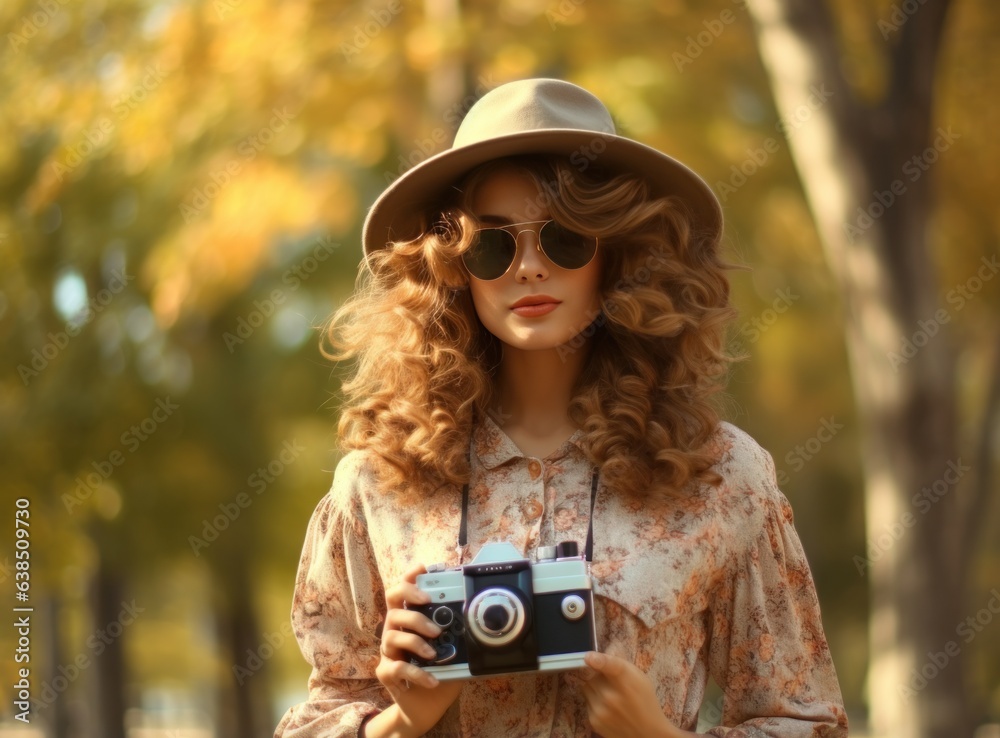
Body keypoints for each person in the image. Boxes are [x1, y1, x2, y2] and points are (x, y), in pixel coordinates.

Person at [274, 78, 848, 737]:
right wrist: (401, 721)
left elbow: (808, 723)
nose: (528, 267)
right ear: (454, 267)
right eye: (492, 245)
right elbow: (312, 721)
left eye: (565, 238)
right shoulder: (378, 485)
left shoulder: (719, 476)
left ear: (618, 253)